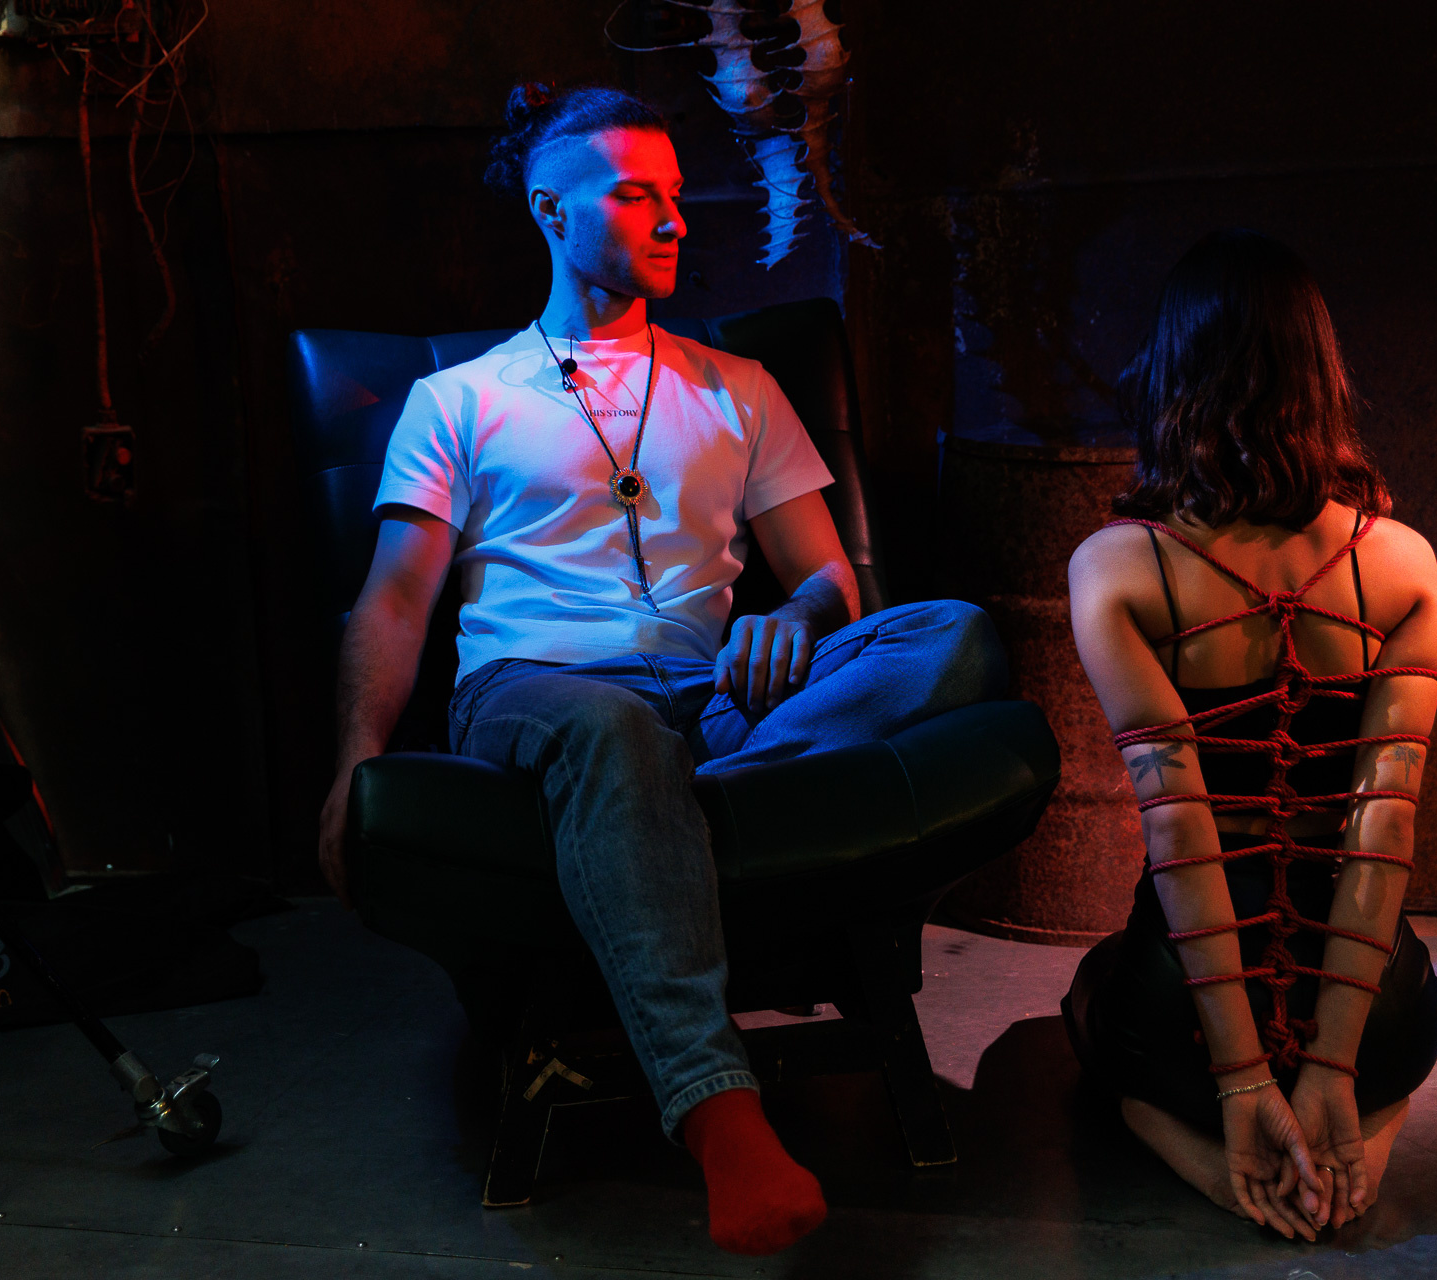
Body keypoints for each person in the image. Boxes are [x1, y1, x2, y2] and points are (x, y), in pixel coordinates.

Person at [314, 82, 1005, 1256]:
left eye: (677, 193)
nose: (677, 218)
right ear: (552, 209)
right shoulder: (458, 401)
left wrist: (794, 617)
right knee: (609, 728)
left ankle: (671, 801)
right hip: (535, 692)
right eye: (638, 195)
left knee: (952, 638)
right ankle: (719, 1111)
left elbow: (833, 582)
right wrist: (353, 764)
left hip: (720, 701)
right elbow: (393, 599)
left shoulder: (737, 387)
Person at [1061, 229, 1437, 1239]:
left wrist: (1241, 1076)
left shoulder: (1117, 569)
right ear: (1322, 379)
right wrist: (1331, 1063)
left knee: (1095, 1003)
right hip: (1371, 1010)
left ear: (1170, 379)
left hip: (1182, 1018)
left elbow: (1180, 830)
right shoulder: (1405, 567)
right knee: (1406, 1041)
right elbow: (1382, 831)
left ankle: (1216, 1153)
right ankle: (1356, 1133)